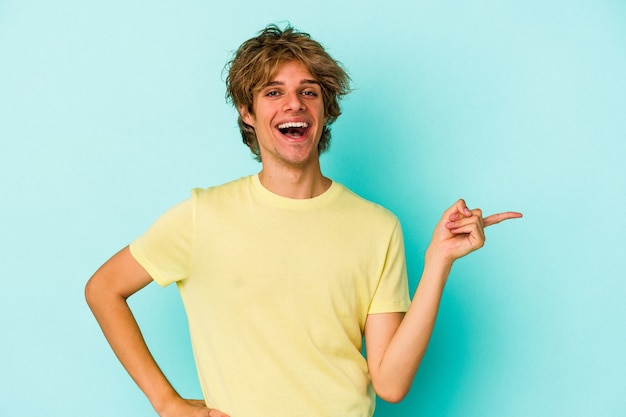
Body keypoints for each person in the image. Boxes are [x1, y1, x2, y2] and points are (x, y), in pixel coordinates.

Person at [85, 24, 522, 417]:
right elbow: (103, 289)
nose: (293, 104)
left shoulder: (376, 227)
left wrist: (438, 262)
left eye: (308, 91)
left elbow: (389, 384)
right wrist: (168, 404)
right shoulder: (204, 217)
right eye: (273, 92)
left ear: (326, 110)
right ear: (247, 112)